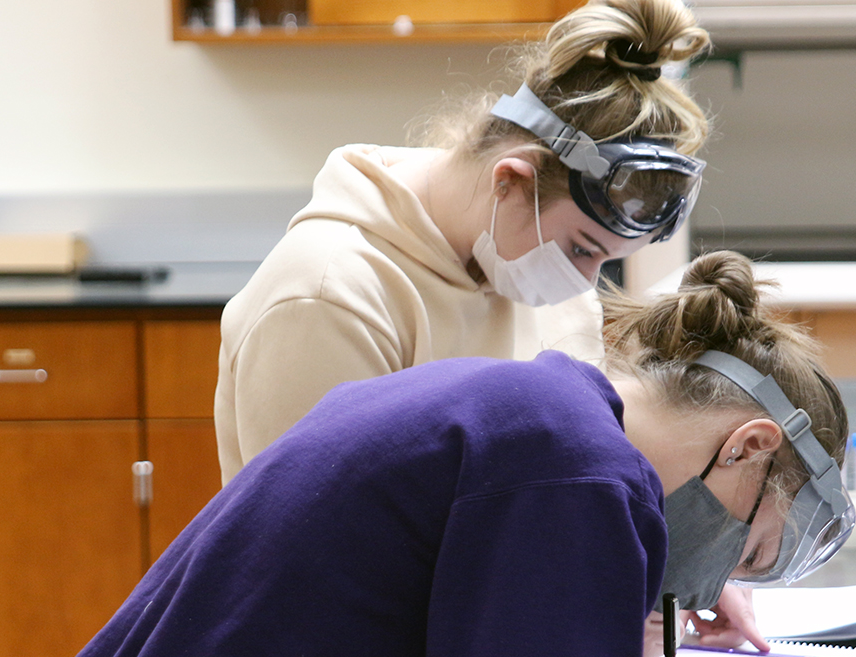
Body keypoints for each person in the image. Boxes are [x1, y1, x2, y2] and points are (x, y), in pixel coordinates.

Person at [51, 251, 852, 657]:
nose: (712, 584)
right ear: (749, 446)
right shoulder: (577, 472)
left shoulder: (526, 410)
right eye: (744, 550)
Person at [215, 0, 711, 485]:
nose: (584, 281)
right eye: (582, 248)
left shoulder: (545, 283)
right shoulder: (326, 297)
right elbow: (322, 545)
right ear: (511, 181)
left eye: (604, 258)